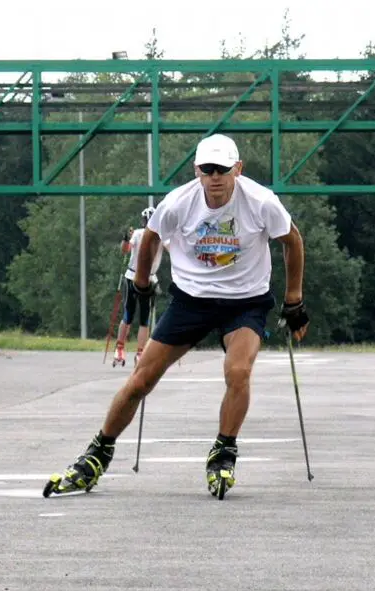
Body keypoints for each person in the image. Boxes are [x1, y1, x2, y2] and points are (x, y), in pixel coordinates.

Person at [43, 133, 309, 500]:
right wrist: (141, 282)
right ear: (197, 170)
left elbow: (292, 240)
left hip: (245, 300)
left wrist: (294, 299)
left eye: (223, 169)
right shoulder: (179, 202)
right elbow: (150, 237)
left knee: (238, 372)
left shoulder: (262, 201)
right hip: (191, 300)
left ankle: (224, 450)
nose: (215, 178)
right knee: (141, 380)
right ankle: (98, 453)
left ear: (238, 169)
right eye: (207, 169)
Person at [113, 207, 164, 367]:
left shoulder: (162, 236)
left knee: (144, 318)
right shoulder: (138, 233)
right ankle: (120, 348)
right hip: (132, 276)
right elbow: (125, 250)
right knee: (129, 314)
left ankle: (141, 352)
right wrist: (126, 239)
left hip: (150, 279)